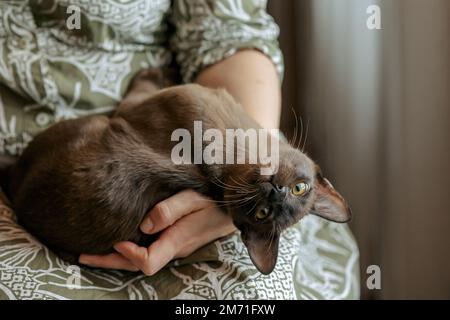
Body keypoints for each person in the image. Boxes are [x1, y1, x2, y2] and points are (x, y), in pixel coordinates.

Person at [0, 0, 359, 299]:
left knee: (253, 296)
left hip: (152, 176)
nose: (278, 191)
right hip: (60, 170)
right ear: (323, 184)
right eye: (299, 188)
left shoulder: (231, 162)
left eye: (268, 209)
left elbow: (232, 33)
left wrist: (226, 202)